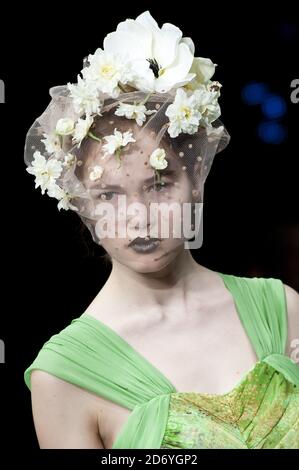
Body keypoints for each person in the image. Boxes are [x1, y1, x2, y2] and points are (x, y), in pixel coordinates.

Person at [23, 11, 299, 449]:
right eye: (109, 195)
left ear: (196, 178)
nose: (139, 215)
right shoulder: (64, 375)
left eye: (158, 184)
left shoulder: (281, 309)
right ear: (81, 203)